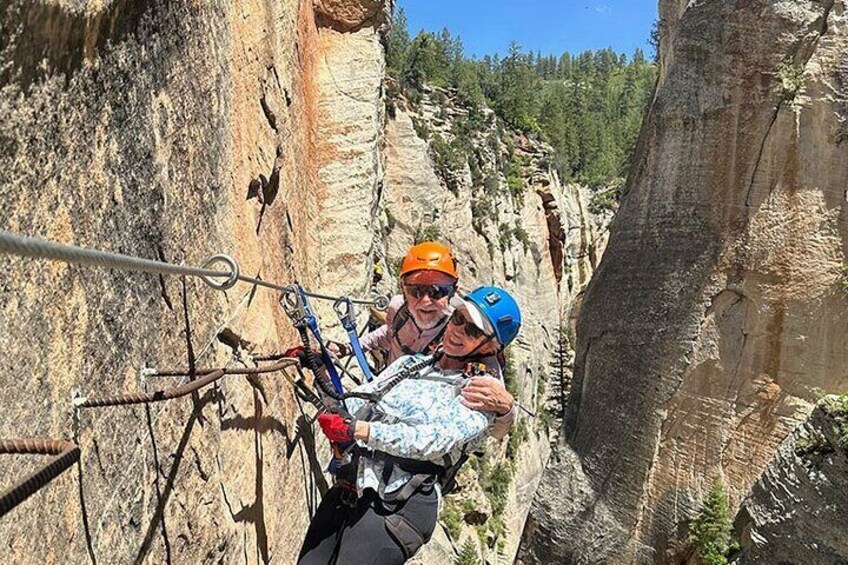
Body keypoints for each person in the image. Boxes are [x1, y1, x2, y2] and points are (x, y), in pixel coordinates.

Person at [298, 286, 522, 565]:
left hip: (400, 506)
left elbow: (430, 441)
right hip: (357, 483)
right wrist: (318, 370)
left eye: (473, 331)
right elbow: (359, 402)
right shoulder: (414, 363)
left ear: (492, 347)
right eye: (458, 318)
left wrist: (362, 430)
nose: (458, 330)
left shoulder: (480, 392)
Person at [329, 242, 516, 437]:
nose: (425, 301)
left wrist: (507, 409)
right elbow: (389, 334)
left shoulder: (457, 331)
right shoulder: (399, 308)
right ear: (404, 289)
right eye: (416, 290)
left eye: (437, 291)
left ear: (452, 291)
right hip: (387, 387)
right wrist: (349, 348)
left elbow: (495, 425)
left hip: (414, 427)